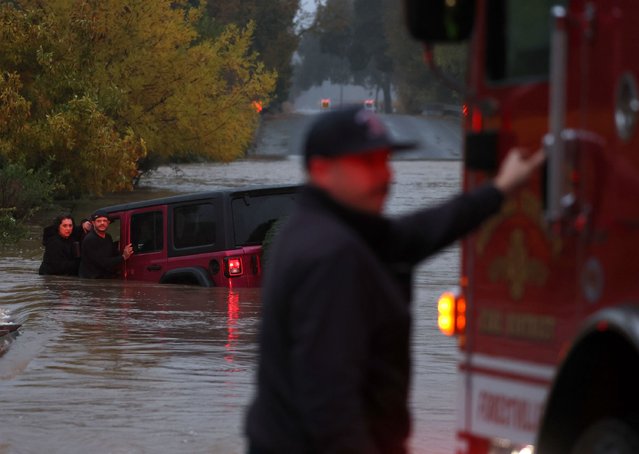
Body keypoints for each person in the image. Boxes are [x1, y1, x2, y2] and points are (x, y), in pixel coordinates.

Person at [245, 105, 546, 453]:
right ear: (321, 169)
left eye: (386, 160)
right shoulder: (331, 256)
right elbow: (331, 402)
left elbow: (419, 233)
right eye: (368, 163)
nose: (386, 175)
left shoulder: (320, 228)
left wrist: (498, 190)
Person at [78, 210, 133, 279]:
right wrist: (123, 257)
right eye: (99, 221)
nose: (102, 223)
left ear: (108, 223)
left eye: (104, 221)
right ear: (93, 223)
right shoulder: (90, 239)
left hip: (103, 277)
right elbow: (103, 262)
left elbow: (111, 253)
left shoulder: (108, 237)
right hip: (91, 280)